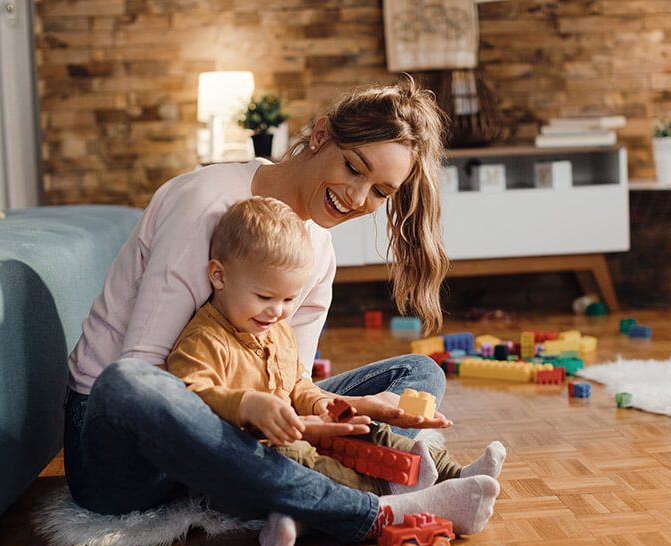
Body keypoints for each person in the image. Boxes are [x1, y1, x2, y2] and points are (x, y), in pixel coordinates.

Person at [63, 75, 500, 546]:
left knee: (417, 374)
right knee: (128, 381)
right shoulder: (206, 205)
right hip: (130, 446)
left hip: (241, 433)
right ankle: (366, 512)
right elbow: (150, 369)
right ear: (319, 136)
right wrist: (259, 416)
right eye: (355, 168)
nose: (357, 198)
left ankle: (291, 501)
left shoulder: (318, 249)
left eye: (380, 192)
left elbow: (291, 385)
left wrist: (338, 412)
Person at [166, 196, 507, 516]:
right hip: (255, 452)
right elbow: (186, 402)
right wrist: (246, 405)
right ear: (220, 275)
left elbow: (296, 385)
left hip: (302, 431)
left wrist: (325, 408)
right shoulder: (204, 340)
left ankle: (453, 473)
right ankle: (386, 492)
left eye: (287, 300)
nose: (276, 312)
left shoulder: (275, 329)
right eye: (265, 296)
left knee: (366, 430)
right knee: (297, 457)